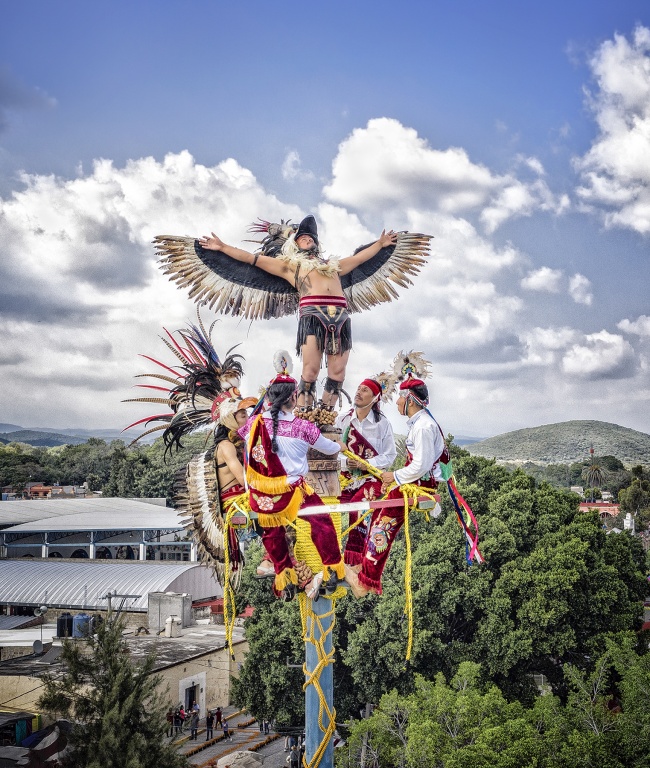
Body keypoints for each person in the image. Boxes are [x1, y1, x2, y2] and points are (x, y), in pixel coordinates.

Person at [200, 217, 397, 412]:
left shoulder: (334, 266)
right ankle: (304, 416)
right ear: (294, 244)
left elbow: (360, 258)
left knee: (338, 372)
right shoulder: (290, 266)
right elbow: (252, 260)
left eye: (311, 238)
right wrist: (223, 247)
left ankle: (326, 415)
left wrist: (380, 243)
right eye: (303, 237)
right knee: (310, 371)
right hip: (313, 317)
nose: (308, 239)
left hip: (341, 318)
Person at [239, 353, 347, 599]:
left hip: (262, 495)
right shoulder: (303, 427)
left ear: (268, 398)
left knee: (272, 531)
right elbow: (329, 448)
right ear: (294, 397)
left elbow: (244, 442)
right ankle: (331, 569)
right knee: (322, 523)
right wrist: (340, 446)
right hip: (293, 492)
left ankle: (283, 573)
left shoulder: (253, 425)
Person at [345, 373, 447, 598]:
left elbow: (421, 465)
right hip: (411, 482)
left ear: (410, 399)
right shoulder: (421, 423)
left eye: (401, 398)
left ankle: (366, 581)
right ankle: (363, 565)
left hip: (418, 484)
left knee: (384, 525)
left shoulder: (423, 426)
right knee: (378, 512)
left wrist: (394, 476)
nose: (398, 403)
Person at [337, 376, 396, 572]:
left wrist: (366, 464)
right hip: (345, 476)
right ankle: (330, 554)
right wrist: (346, 462)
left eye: (364, 390)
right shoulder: (343, 419)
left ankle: (355, 559)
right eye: (358, 388)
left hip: (371, 478)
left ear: (374, 398)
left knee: (359, 506)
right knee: (327, 505)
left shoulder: (382, 424)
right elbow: (332, 449)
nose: (358, 392)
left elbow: (390, 455)